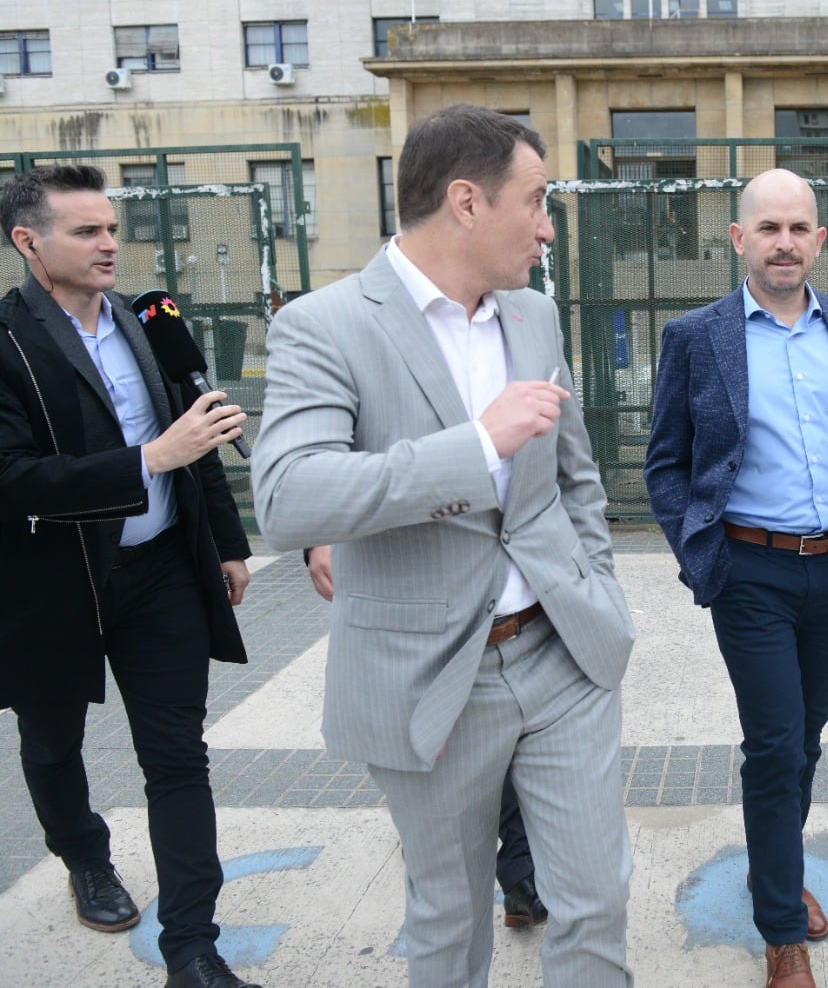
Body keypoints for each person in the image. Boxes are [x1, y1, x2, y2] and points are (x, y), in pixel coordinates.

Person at [252, 105, 634, 988]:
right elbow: (286, 497)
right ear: (466, 201)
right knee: (449, 916)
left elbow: (575, 478)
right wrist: (476, 444)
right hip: (428, 677)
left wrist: (597, 590)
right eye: (536, 202)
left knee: (596, 898)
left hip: (562, 651)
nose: (548, 227)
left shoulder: (534, 316)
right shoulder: (325, 324)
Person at [644, 168, 828, 988]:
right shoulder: (697, 336)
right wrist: (700, 549)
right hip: (751, 573)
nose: (783, 242)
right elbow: (664, 462)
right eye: (767, 227)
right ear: (738, 239)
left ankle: (773, 868)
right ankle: (781, 930)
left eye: (798, 227)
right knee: (774, 746)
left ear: (818, 239)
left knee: (803, 740)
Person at [0, 165, 261, 988]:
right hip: (49, 585)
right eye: (85, 231)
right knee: (51, 739)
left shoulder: (149, 320)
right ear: (28, 242)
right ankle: (83, 856)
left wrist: (225, 540)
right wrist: (148, 458)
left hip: (160, 578)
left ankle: (191, 946)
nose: (108, 243)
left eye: (111, 228)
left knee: (178, 756)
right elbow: (14, 478)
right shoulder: (5, 343)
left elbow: (197, 432)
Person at [304, 546, 547, 929]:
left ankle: (520, 866)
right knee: (450, 731)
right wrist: (319, 538)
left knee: (509, 733)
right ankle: (513, 866)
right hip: (414, 597)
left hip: (513, 599)